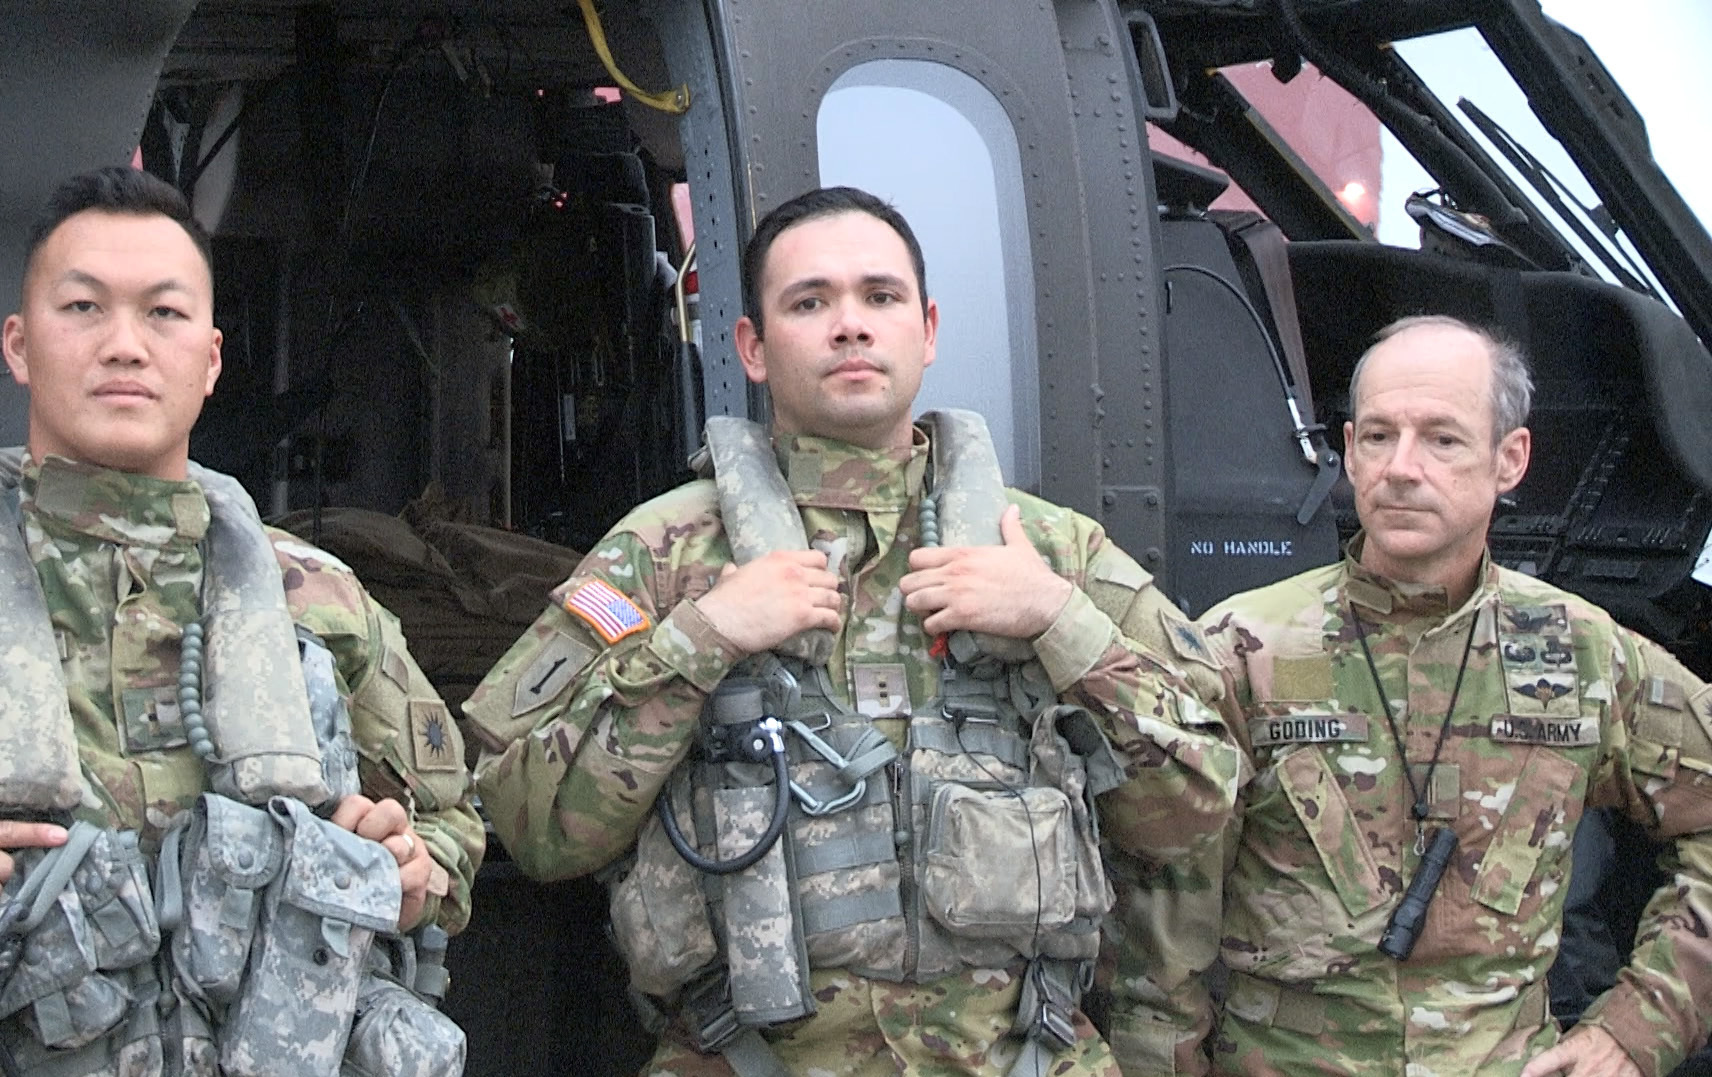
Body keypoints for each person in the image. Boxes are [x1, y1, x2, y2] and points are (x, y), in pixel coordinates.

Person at [465, 186, 1242, 1077]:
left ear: (928, 329)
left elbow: (1197, 811)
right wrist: (700, 638)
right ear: (752, 347)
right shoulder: (664, 551)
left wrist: (1059, 622)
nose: (851, 326)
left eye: (881, 296)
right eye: (809, 302)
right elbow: (532, 825)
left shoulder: (1048, 550)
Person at [0, 166, 484, 1074]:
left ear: (211, 358)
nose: (125, 345)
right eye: (83, 308)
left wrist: (412, 866)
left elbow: (455, 820)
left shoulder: (319, 602)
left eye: (163, 313)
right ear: (18, 345)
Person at [1189, 315, 1712, 1076]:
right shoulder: (1246, 646)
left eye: (1442, 439)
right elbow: (1152, 896)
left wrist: (1640, 1025)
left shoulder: (1581, 653)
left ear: (1510, 459)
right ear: (1348, 452)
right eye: (1378, 436)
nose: (1401, 468)